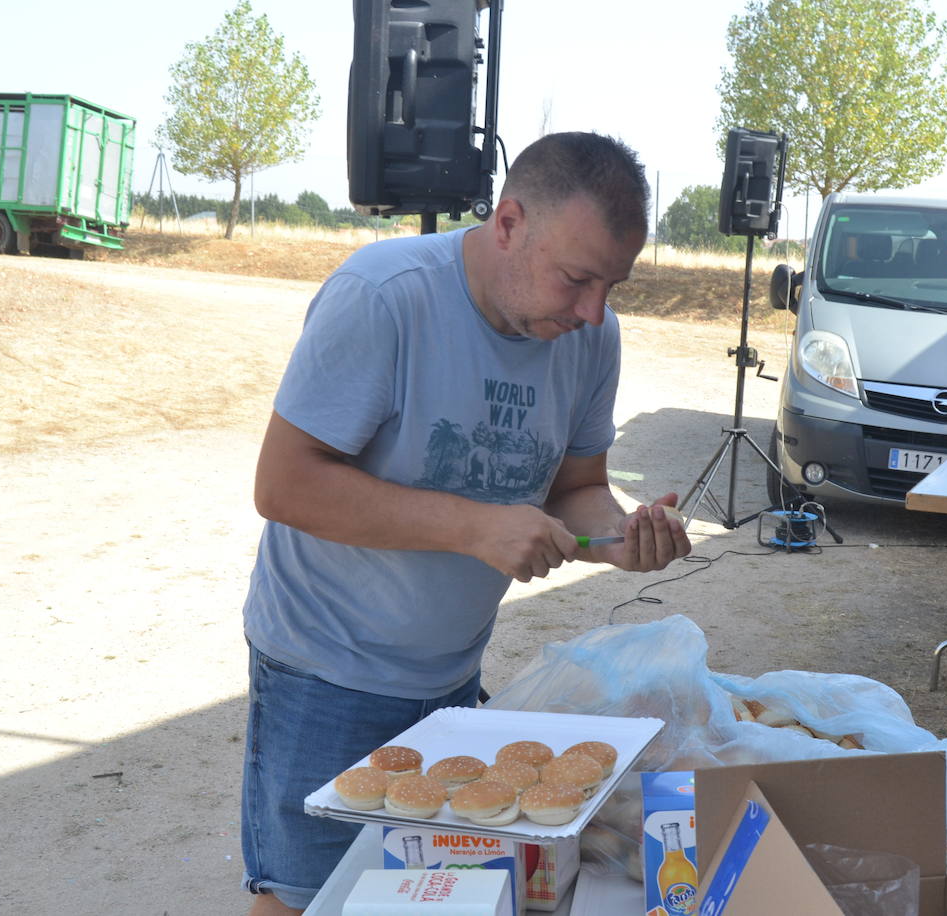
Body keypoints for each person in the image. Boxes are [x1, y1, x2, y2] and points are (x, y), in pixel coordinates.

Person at [239, 131, 693, 914]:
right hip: (325, 669)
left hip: (451, 677)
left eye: (612, 286)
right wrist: (472, 525)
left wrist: (618, 536)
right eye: (577, 279)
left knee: (420, 898)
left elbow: (577, 486)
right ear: (509, 222)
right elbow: (284, 485)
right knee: (305, 900)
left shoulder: (590, 338)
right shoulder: (385, 296)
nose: (593, 311)